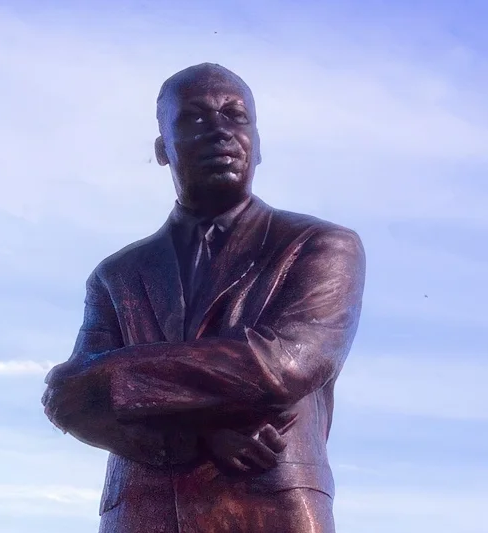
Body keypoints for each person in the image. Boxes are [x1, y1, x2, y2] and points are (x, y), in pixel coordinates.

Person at [42, 63, 366, 533]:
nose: (220, 132)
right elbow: (71, 403)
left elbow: (283, 366)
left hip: (268, 506)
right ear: (162, 149)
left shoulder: (321, 246)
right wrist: (200, 437)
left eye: (236, 116)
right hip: (141, 512)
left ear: (258, 145)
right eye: (194, 119)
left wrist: (112, 377)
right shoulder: (116, 275)